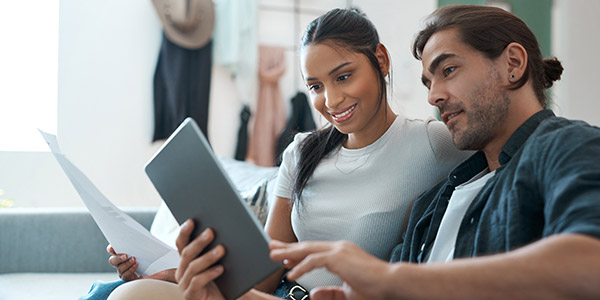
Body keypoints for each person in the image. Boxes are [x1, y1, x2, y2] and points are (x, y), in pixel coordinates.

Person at [101, 7, 470, 300]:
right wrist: (173, 273)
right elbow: (265, 272)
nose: (331, 100)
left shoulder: (433, 144)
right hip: (274, 296)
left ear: (381, 60)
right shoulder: (302, 152)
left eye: (343, 76)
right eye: (315, 86)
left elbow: (509, 151)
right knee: (130, 292)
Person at [264, 4, 600, 300]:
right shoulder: (437, 200)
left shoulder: (566, 146)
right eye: (428, 82)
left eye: (448, 70)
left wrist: (388, 278)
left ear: (512, 63)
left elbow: (591, 261)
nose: (433, 97)